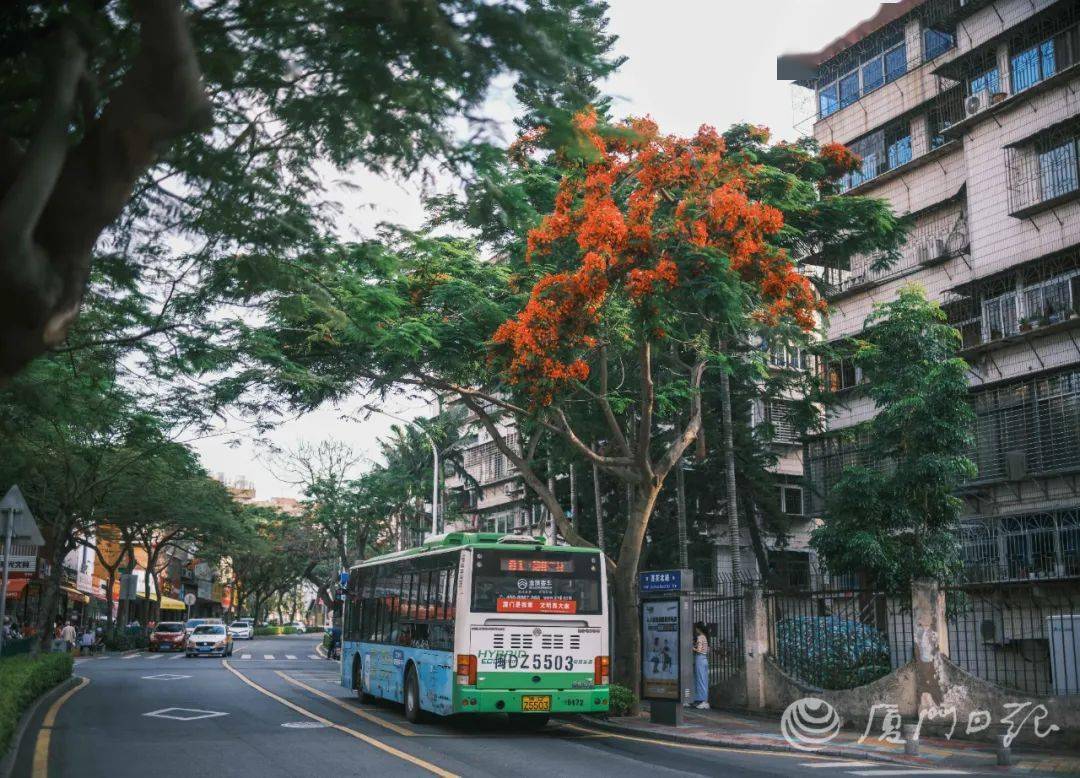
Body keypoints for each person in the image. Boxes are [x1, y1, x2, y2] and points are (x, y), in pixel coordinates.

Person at [691, 622, 710, 710]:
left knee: (700, 680)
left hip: (699, 658)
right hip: (705, 659)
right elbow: (707, 649)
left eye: (696, 628)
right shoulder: (705, 637)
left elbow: (698, 650)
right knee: (704, 680)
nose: (695, 630)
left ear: (698, 629)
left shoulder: (699, 637)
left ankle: (703, 701)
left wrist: (691, 648)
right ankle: (704, 700)